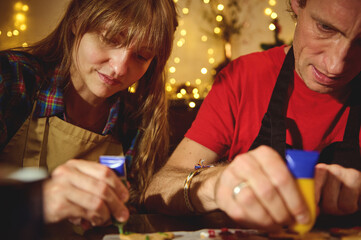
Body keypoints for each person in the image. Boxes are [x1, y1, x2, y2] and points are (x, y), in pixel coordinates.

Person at [145, 0, 361, 232]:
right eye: (325, 28)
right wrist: (215, 185)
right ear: (297, 4)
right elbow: (158, 190)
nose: (336, 65)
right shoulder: (243, 78)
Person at [0, 0, 178, 233]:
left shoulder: (134, 121)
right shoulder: (13, 78)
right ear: (77, 20)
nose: (120, 68)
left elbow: (126, 218)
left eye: (142, 56)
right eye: (111, 39)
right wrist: (35, 197)